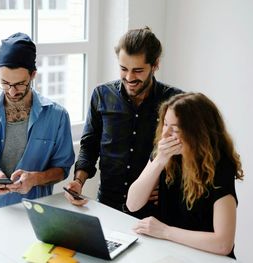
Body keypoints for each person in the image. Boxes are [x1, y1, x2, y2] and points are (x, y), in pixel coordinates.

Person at [64, 27, 182, 218]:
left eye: (137, 70)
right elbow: (89, 146)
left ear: (155, 65)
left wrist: (173, 190)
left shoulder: (175, 101)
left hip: (154, 212)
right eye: (123, 69)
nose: (129, 78)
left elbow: (188, 154)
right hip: (108, 205)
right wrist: (78, 181)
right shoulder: (101, 95)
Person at [0, 32, 75, 212]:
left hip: (37, 213)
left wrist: (35, 178)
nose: (12, 92)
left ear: (33, 75)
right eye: (5, 83)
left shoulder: (57, 116)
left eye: (20, 84)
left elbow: (62, 169)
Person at [126, 92, 244, 258]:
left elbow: (223, 243)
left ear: (197, 134)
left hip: (206, 256)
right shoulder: (165, 155)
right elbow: (132, 203)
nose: (165, 134)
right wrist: (159, 160)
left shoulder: (220, 166)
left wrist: (165, 231)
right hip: (171, 251)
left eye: (174, 129)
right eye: (165, 124)